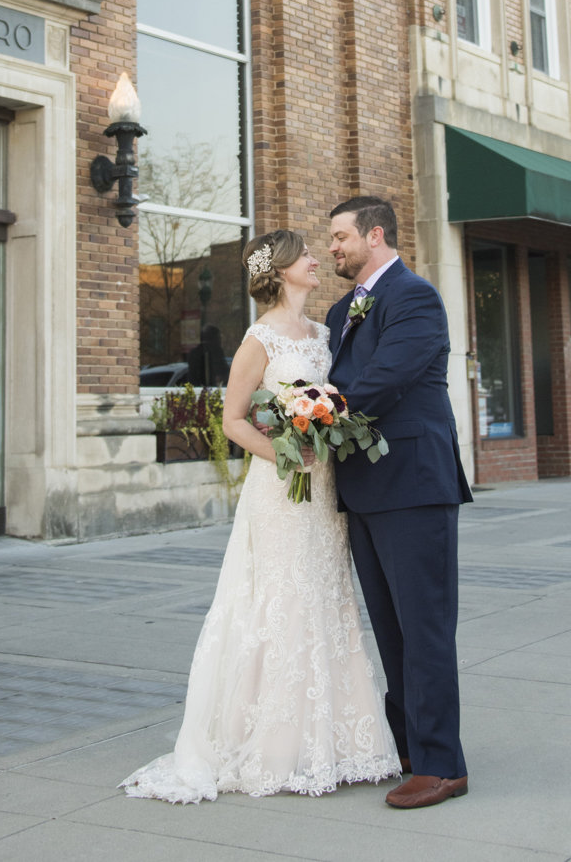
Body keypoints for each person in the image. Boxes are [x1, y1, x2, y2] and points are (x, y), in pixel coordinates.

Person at [120, 228, 400, 804]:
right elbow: (233, 420)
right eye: (308, 256)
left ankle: (337, 743)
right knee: (282, 600)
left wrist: (324, 438)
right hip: (281, 490)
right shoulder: (259, 339)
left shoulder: (326, 334)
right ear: (283, 270)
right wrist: (288, 454)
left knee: (328, 598)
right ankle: (275, 747)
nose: (319, 260)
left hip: (326, 493)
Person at [326, 196, 472, 811]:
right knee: (390, 629)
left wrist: (317, 415)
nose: (332, 246)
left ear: (375, 234)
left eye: (340, 237)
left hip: (413, 482)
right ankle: (407, 745)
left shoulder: (414, 297)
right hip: (361, 488)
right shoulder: (340, 309)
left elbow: (386, 378)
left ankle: (443, 764)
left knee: (426, 627)